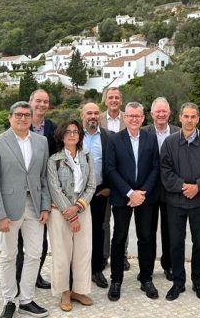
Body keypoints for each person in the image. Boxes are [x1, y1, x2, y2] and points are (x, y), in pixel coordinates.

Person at [0, 101, 51, 318]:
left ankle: (26, 300)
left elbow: (43, 177)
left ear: (31, 118)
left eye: (26, 115)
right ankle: (9, 300)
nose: (22, 118)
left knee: (35, 254)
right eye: (18, 115)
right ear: (10, 117)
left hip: (35, 207)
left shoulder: (41, 142)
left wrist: (45, 206)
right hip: (9, 209)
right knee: (9, 255)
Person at [160, 102, 200, 301]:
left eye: (193, 117)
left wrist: (198, 187)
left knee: (199, 244)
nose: (189, 120)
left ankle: (198, 282)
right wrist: (182, 186)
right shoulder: (169, 142)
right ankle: (178, 282)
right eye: (186, 116)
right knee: (176, 244)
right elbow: (165, 170)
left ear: (198, 119)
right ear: (180, 118)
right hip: (175, 201)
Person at [105, 102, 161, 301]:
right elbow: (110, 169)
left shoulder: (151, 138)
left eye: (138, 116)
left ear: (143, 118)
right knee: (119, 238)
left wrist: (141, 193)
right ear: (125, 117)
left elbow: (156, 167)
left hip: (146, 197)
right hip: (123, 197)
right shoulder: (114, 139)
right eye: (130, 116)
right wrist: (130, 193)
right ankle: (116, 280)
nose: (134, 119)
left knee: (146, 238)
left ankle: (146, 279)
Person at [46, 119, 96, 312]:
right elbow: (54, 189)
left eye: (75, 131)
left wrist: (78, 207)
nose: (72, 134)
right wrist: (71, 215)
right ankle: (64, 293)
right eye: (68, 132)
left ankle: (79, 290)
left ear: (80, 135)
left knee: (83, 252)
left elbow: (91, 185)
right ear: (61, 135)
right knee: (62, 254)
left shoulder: (87, 156)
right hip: (60, 212)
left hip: (82, 208)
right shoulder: (54, 160)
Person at [16, 89, 56, 291]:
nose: (41, 105)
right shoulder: (19, 125)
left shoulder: (52, 128)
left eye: (45, 101)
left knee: (40, 240)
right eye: (38, 101)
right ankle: (18, 280)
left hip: (41, 193)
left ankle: (35, 276)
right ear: (30, 102)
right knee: (18, 243)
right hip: (19, 194)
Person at [142, 97, 180, 281]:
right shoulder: (143, 132)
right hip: (148, 189)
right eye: (158, 111)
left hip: (171, 190)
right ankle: (146, 269)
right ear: (151, 114)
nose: (161, 114)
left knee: (170, 230)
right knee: (147, 232)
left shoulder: (179, 132)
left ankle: (169, 265)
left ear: (169, 113)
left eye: (164, 111)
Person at [80, 102, 110, 289]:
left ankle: (96, 269)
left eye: (96, 113)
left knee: (98, 231)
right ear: (82, 115)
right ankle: (78, 271)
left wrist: (109, 188)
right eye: (89, 113)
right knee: (77, 233)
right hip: (77, 195)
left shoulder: (108, 137)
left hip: (99, 192)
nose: (93, 116)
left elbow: (113, 164)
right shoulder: (73, 134)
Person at [99, 86, 129, 270]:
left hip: (124, 178)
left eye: (117, 97)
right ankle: (103, 256)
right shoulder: (98, 119)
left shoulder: (129, 118)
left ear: (121, 100)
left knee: (122, 221)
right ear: (105, 100)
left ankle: (122, 255)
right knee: (104, 221)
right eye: (110, 97)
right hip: (103, 178)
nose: (114, 100)